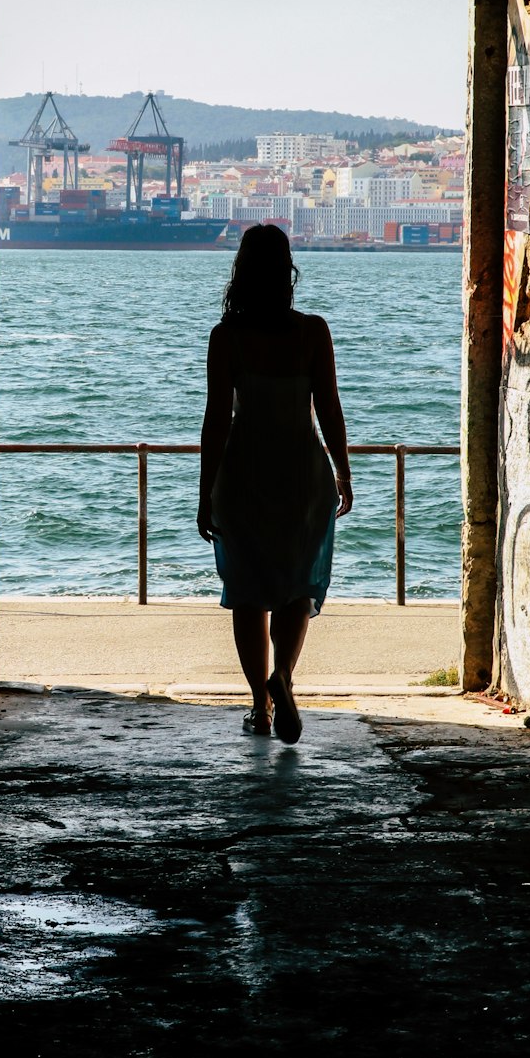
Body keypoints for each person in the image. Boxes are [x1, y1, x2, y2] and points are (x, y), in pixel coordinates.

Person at [197, 224, 353, 743]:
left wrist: (204, 492)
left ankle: (260, 708)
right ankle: (283, 674)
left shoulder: (228, 338)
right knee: (296, 589)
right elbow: (328, 408)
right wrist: (343, 471)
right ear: (287, 271)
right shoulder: (313, 332)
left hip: (244, 477)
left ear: (241, 271)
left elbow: (217, 420)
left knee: (247, 594)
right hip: (303, 475)